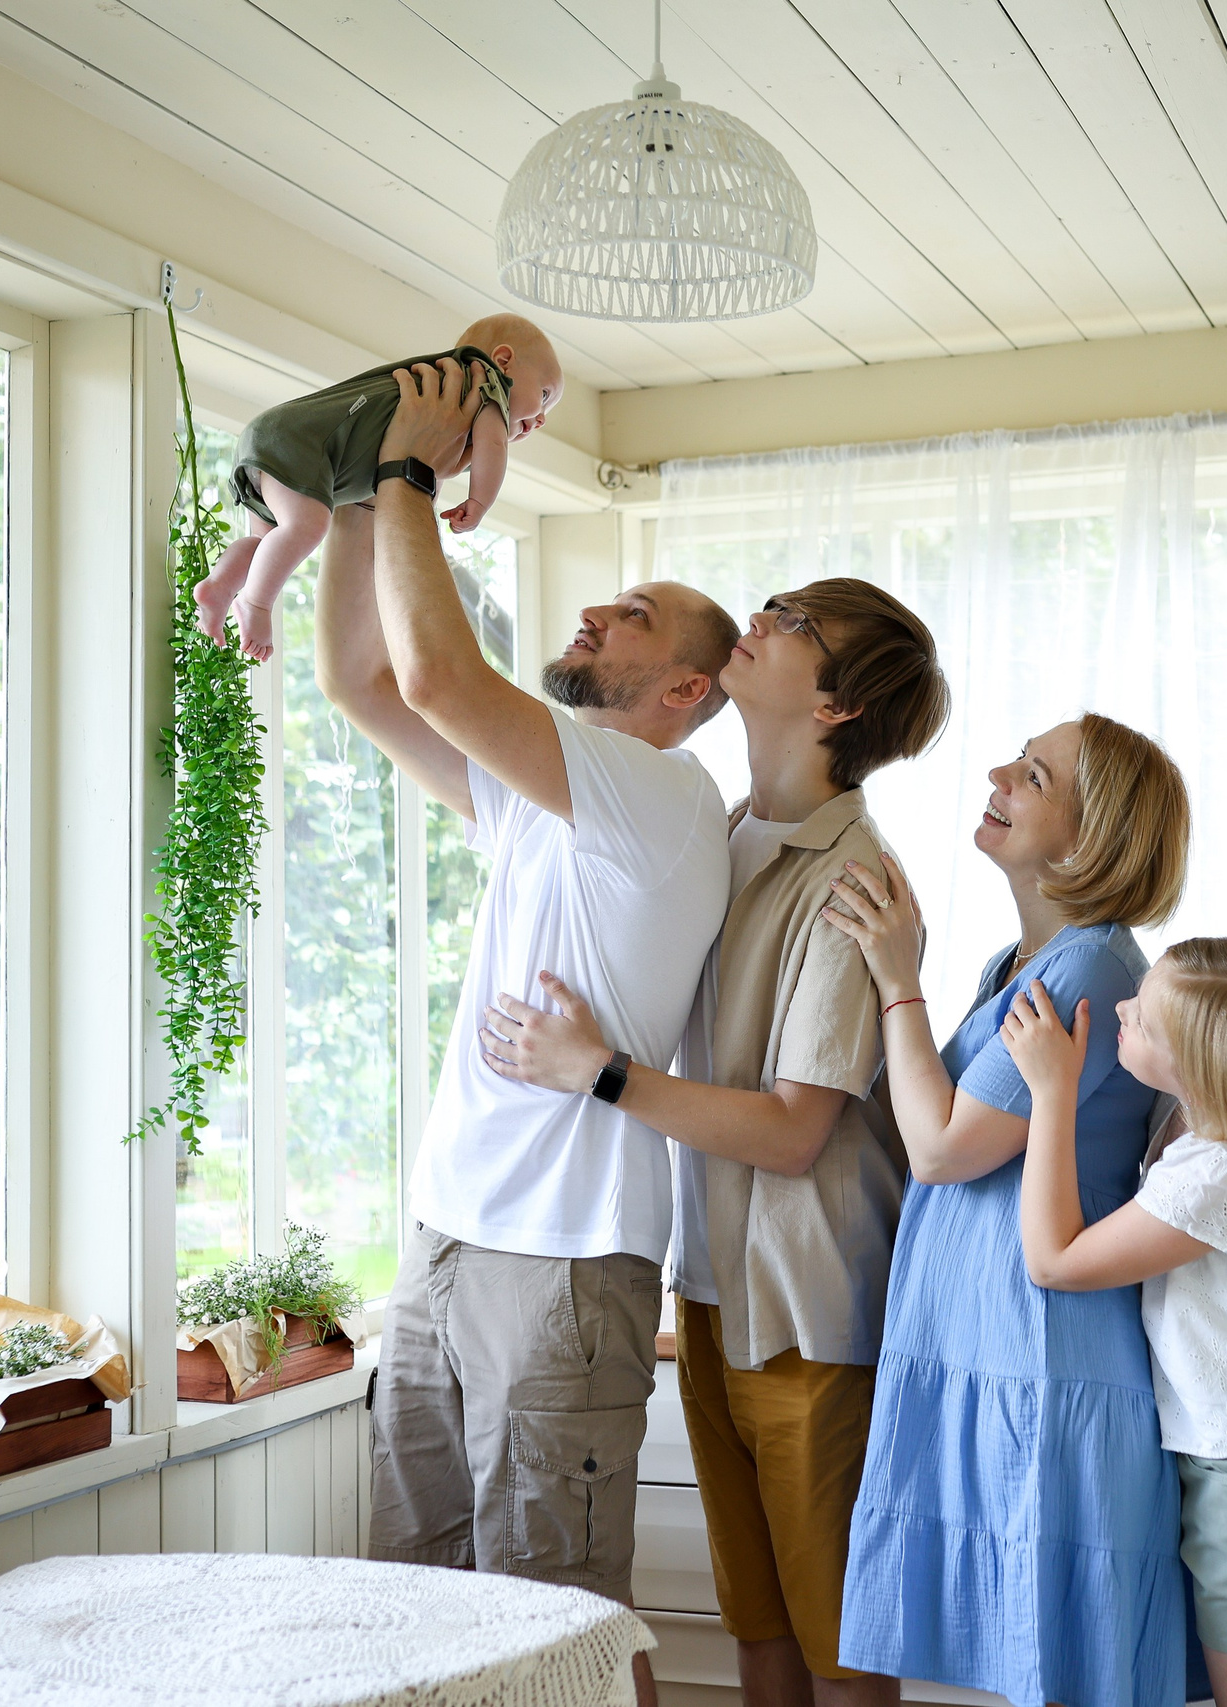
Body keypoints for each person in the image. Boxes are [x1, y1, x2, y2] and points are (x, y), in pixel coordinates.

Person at [316, 354, 733, 1707]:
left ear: (684, 692)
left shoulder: (657, 797)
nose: (600, 612)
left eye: (637, 617)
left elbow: (440, 674)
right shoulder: (548, 800)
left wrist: (407, 472)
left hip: (562, 1274)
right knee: (421, 1604)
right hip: (446, 1239)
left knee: (550, 1630)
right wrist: (344, 504)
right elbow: (367, 684)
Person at [477, 579, 952, 1707]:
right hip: (712, 1292)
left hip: (811, 1310)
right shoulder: (720, 829)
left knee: (839, 1653)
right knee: (758, 1633)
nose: (766, 617)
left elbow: (794, 1133)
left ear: (835, 708)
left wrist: (597, 1071)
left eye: (799, 627)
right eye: (777, 602)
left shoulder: (852, 879)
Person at [819, 714, 1194, 1707]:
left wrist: (896, 978)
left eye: (1032, 775)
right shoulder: (1018, 967)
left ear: (1089, 839)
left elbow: (940, 1146)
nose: (996, 775)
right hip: (997, 1345)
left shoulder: (1087, 970)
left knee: (1060, 1658)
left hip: (1046, 1356)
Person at [1005, 942, 1227, 1707]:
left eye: (1145, 1019)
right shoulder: (1226, 1139)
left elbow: (1053, 1258)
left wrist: (1051, 1091)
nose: (1123, 1010)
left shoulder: (1216, 1178)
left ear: (1203, 1074)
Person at [197, 313, 562, 659]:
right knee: (306, 527)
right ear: (504, 361)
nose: (542, 418)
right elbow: (493, 448)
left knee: (267, 544)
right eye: (544, 395)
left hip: (275, 443)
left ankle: (221, 587)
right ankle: (255, 603)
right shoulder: (486, 384)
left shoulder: (448, 395)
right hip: (301, 445)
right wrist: (479, 502)